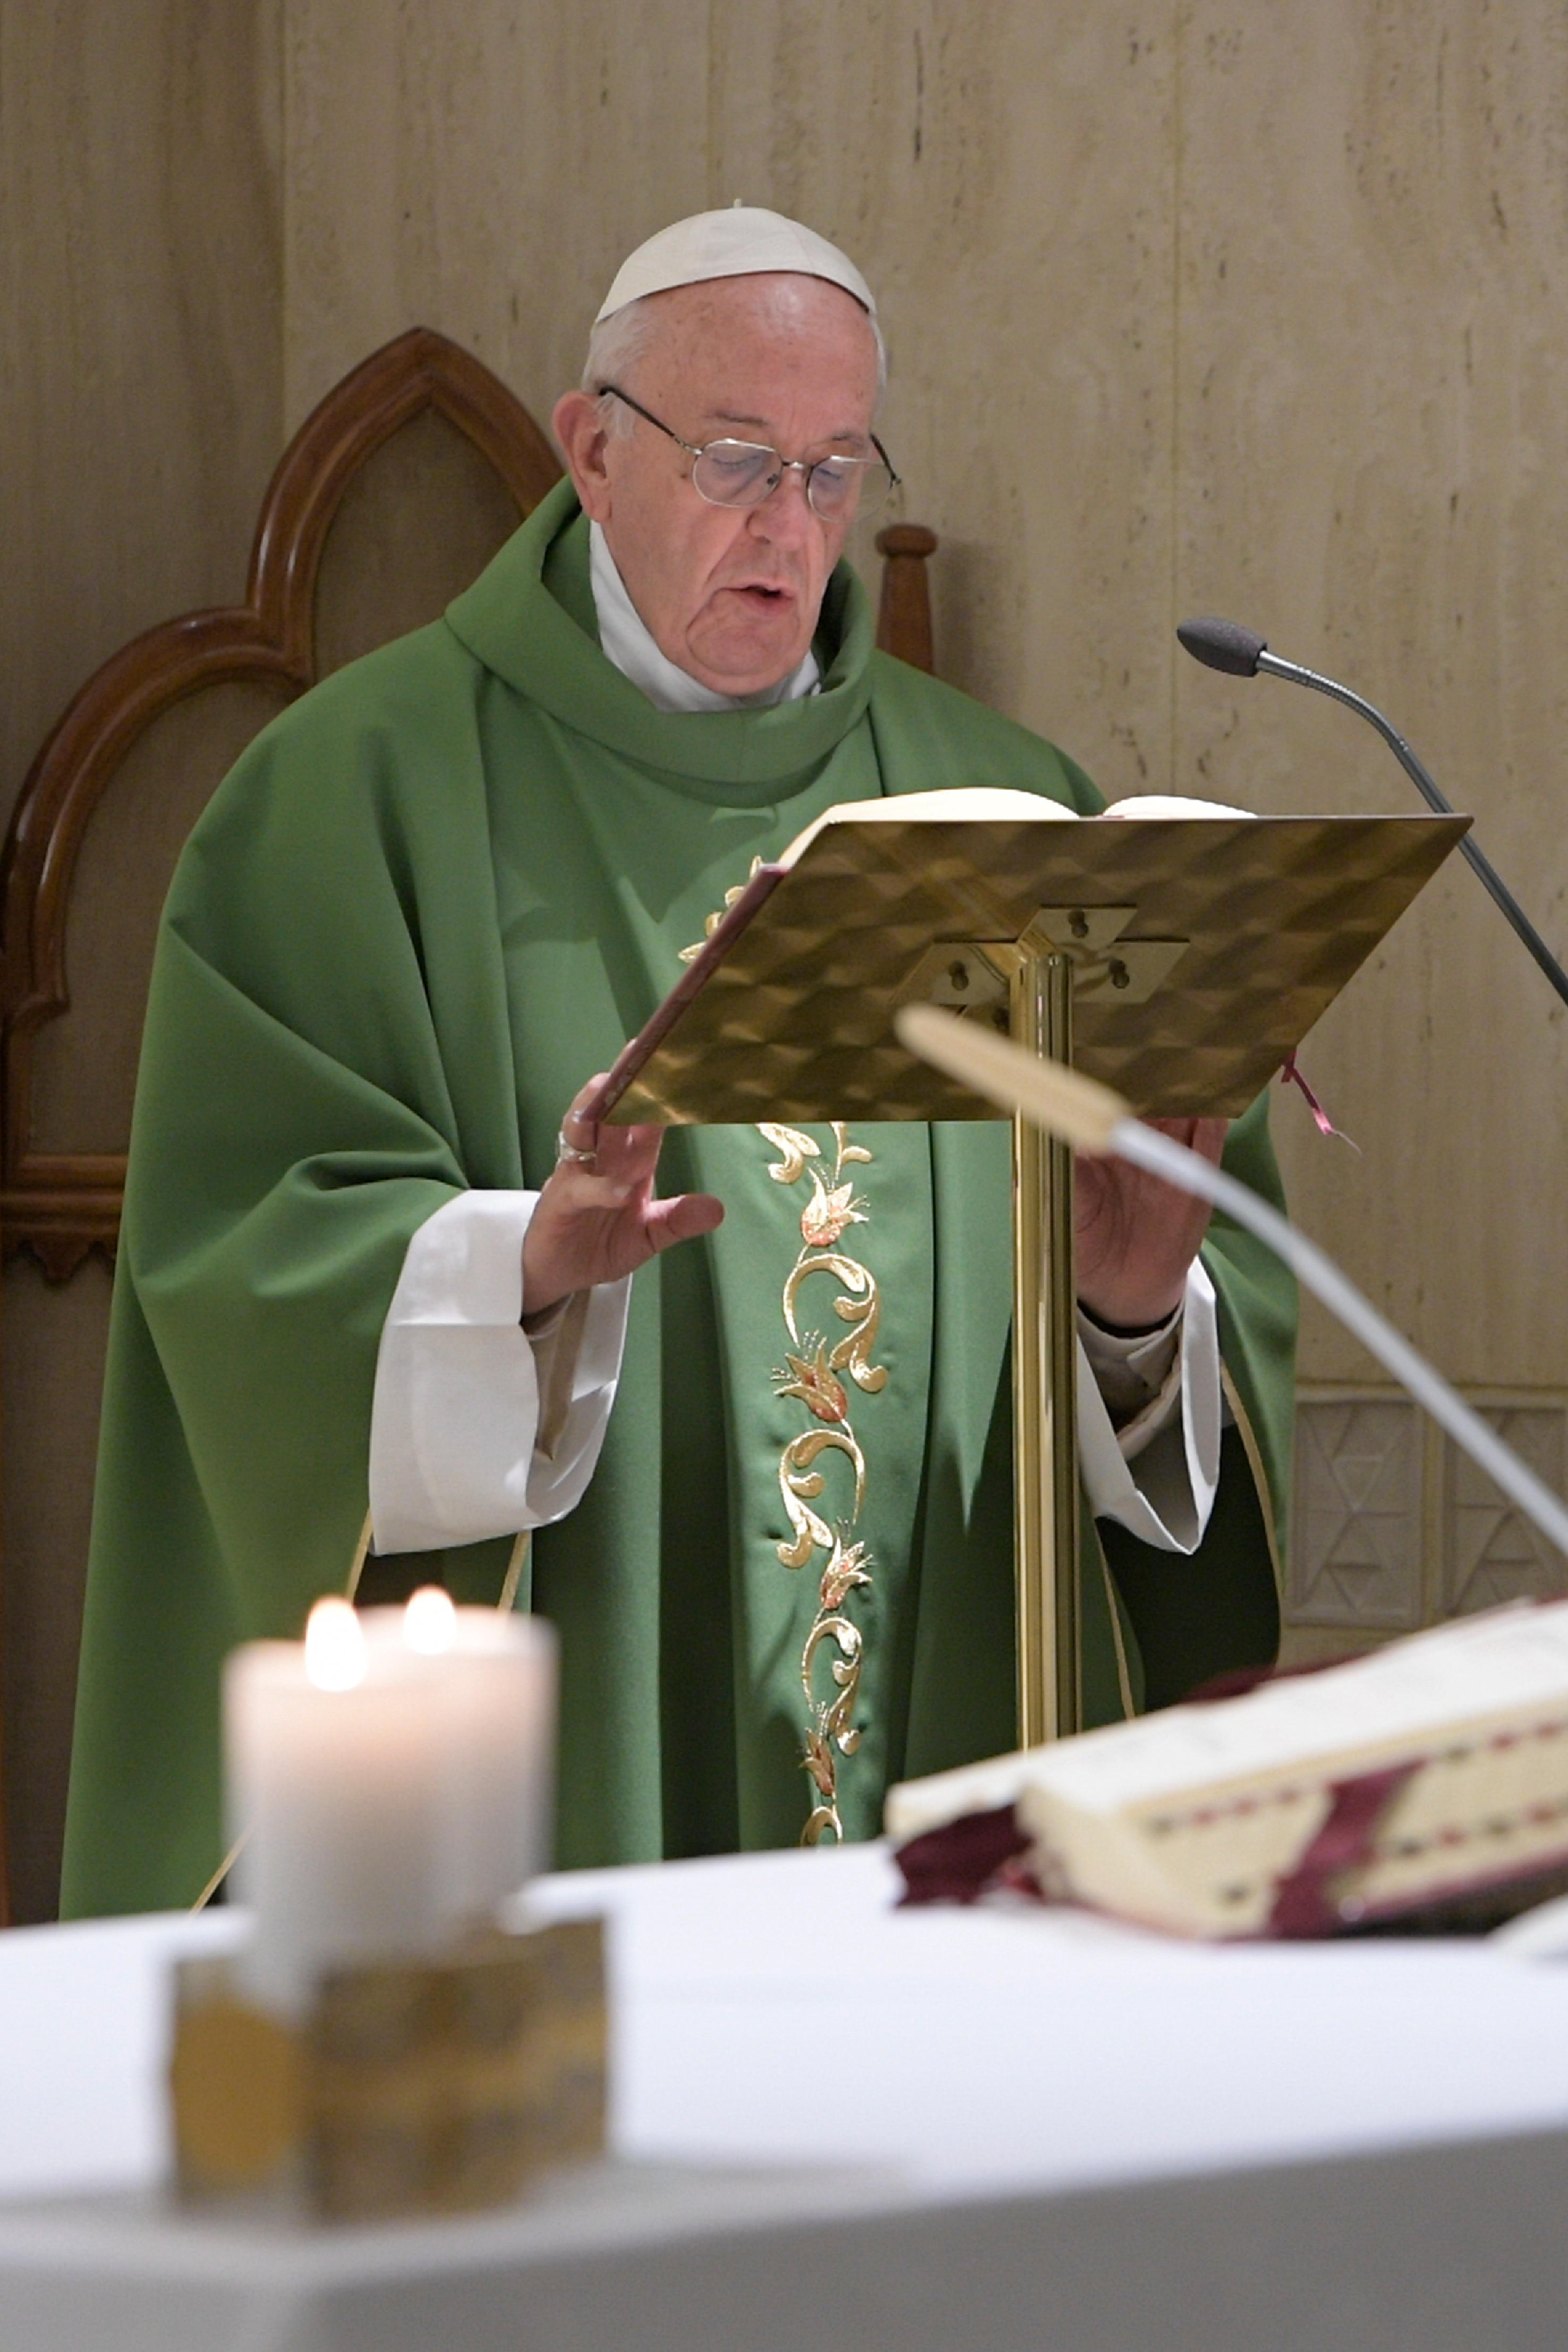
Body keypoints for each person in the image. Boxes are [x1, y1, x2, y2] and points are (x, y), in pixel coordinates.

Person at [59, 209, 1295, 1917]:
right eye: (736, 461)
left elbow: (1175, 1321)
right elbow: (244, 1269)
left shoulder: (1013, 812)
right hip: (566, 1796)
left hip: (944, 1759)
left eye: (835, 470)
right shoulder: (350, 796)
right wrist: (518, 1269)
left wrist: (1134, 1320)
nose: (791, 527)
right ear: (591, 451)